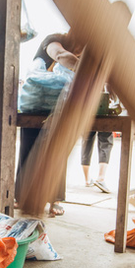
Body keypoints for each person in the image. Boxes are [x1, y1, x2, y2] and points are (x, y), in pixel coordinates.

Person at [16, 31, 83, 216]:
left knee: (57, 151)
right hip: (35, 104)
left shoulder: (80, 54)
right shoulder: (55, 41)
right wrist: (86, 70)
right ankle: (21, 197)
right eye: (79, 47)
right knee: (28, 149)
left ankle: (55, 199)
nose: (79, 51)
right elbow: (61, 56)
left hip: (59, 108)